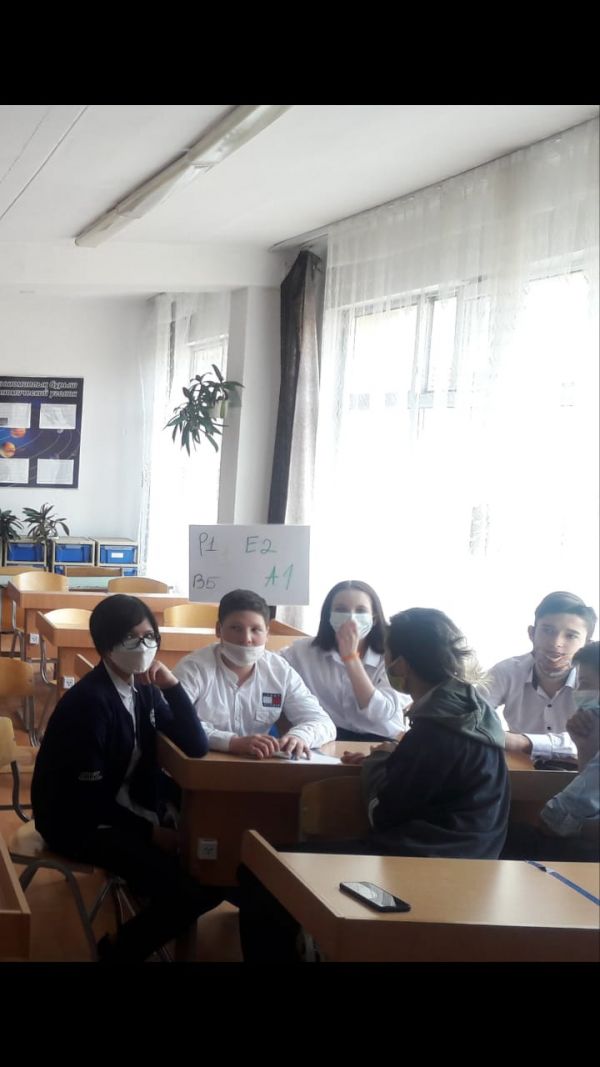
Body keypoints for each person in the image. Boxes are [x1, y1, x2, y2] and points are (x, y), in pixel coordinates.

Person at [237, 607, 510, 961]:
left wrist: (379, 763)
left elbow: (382, 813)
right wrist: (396, 756)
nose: (387, 663)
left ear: (403, 664)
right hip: (474, 857)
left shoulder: (434, 732)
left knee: (261, 872)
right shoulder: (470, 711)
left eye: (389, 655)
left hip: (419, 863)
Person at [31, 594, 218, 962]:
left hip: (122, 805)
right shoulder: (90, 703)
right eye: (130, 638)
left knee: (214, 869)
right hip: (77, 821)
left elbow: (195, 745)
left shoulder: (143, 688)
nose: (143, 646)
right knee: (192, 890)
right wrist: (150, 833)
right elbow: (87, 801)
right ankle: (118, 952)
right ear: (105, 645)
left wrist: (172, 686)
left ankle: (141, 910)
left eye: (149, 636)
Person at [173, 589, 335, 758]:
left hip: (259, 765)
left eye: (256, 629)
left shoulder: (279, 671)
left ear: (267, 634)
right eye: (236, 628)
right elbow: (172, 720)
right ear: (219, 630)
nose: (246, 639)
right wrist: (231, 742)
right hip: (201, 764)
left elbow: (322, 722)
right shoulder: (193, 668)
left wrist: (299, 736)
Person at [502, 641, 599, 861]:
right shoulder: (511, 669)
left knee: (498, 837)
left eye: (584, 684)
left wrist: (576, 827)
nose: (579, 693)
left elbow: (552, 821)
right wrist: (585, 746)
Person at [280, 579, 408, 742]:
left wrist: (351, 658)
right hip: (327, 739)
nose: (351, 618)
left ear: (374, 618)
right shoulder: (303, 652)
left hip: (382, 741)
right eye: (341, 610)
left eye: (361, 610)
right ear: (329, 616)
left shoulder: (392, 655)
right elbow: (269, 667)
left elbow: (380, 714)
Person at [483, 591, 597, 762]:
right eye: (547, 631)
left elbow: (594, 737)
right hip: (519, 769)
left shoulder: (595, 680)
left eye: (571, 636)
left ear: (587, 644)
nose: (556, 643)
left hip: (581, 771)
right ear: (532, 633)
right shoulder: (506, 671)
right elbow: (471, 714)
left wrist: (524, 742)